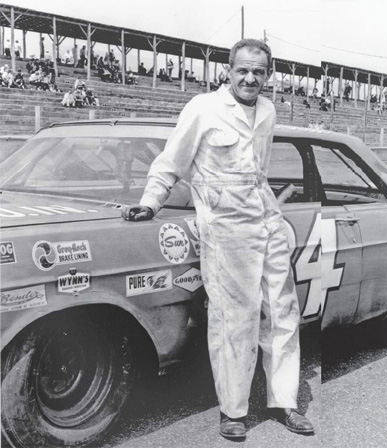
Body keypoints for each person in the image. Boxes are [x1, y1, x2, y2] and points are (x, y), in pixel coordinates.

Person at [121, 38, 314, 440]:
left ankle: (285, 402)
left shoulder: (268, 111)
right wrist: (151, 202)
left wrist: (270, 212)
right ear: (228, 70)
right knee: (234, 319)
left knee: (283, 312)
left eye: (258, 72)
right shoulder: (203, 108)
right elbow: (171, 162)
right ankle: (234, 412)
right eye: (243, 70)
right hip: (226, 227)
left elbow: (257, 169)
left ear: (268, 75)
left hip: (267, 220)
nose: (250, 78)